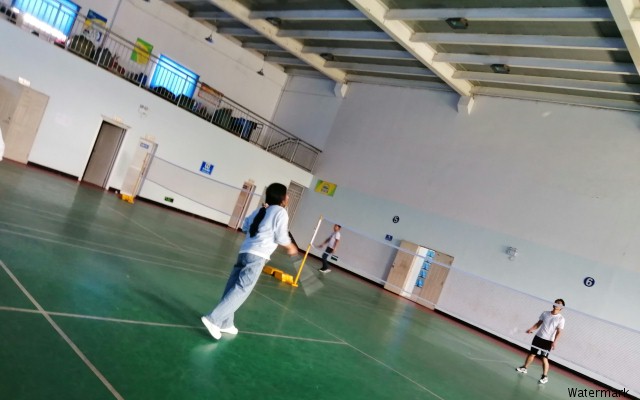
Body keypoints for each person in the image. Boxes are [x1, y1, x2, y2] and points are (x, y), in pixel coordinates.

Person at [201, 183, 298, 340]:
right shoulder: (281, 212)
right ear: (281, 197)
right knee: (242, 289)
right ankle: (213, 319)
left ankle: (226, 323)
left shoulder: (261, 210)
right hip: (258, 256)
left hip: (244, 252)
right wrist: (291, 246)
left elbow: (245, 226)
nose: (288, 197)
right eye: (287, 194)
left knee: (233, 286)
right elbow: (281, 237)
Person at [516, 299, 566, 384]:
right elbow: (538, 323)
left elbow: (559, 332)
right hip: (538, 337)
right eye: (556, 302)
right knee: (532, 354)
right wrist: (531, 329)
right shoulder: (545, 313)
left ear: (562, 307)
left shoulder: (561, 319)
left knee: (544, 358)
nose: (557, 304)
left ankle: (544, 376)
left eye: (559, 304)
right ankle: (524, 368)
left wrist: (554, 342)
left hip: (548, 341)